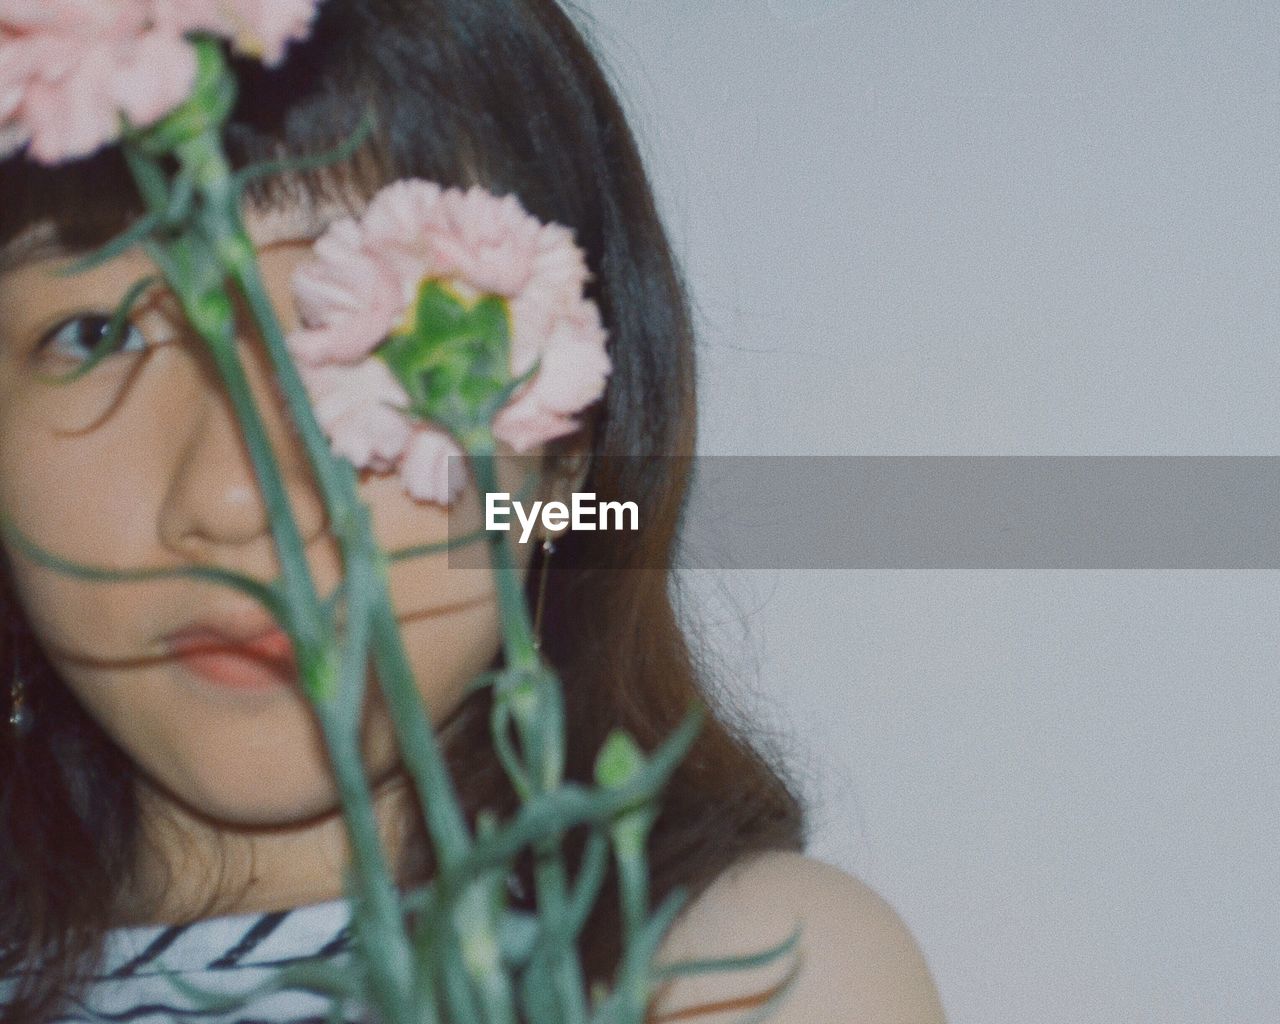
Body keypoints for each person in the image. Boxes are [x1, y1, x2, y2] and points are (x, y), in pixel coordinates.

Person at [0, 1, 946, 1022]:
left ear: (563, 449)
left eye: (368, 326)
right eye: (94, 332)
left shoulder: (722, 980)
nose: (231, 498)